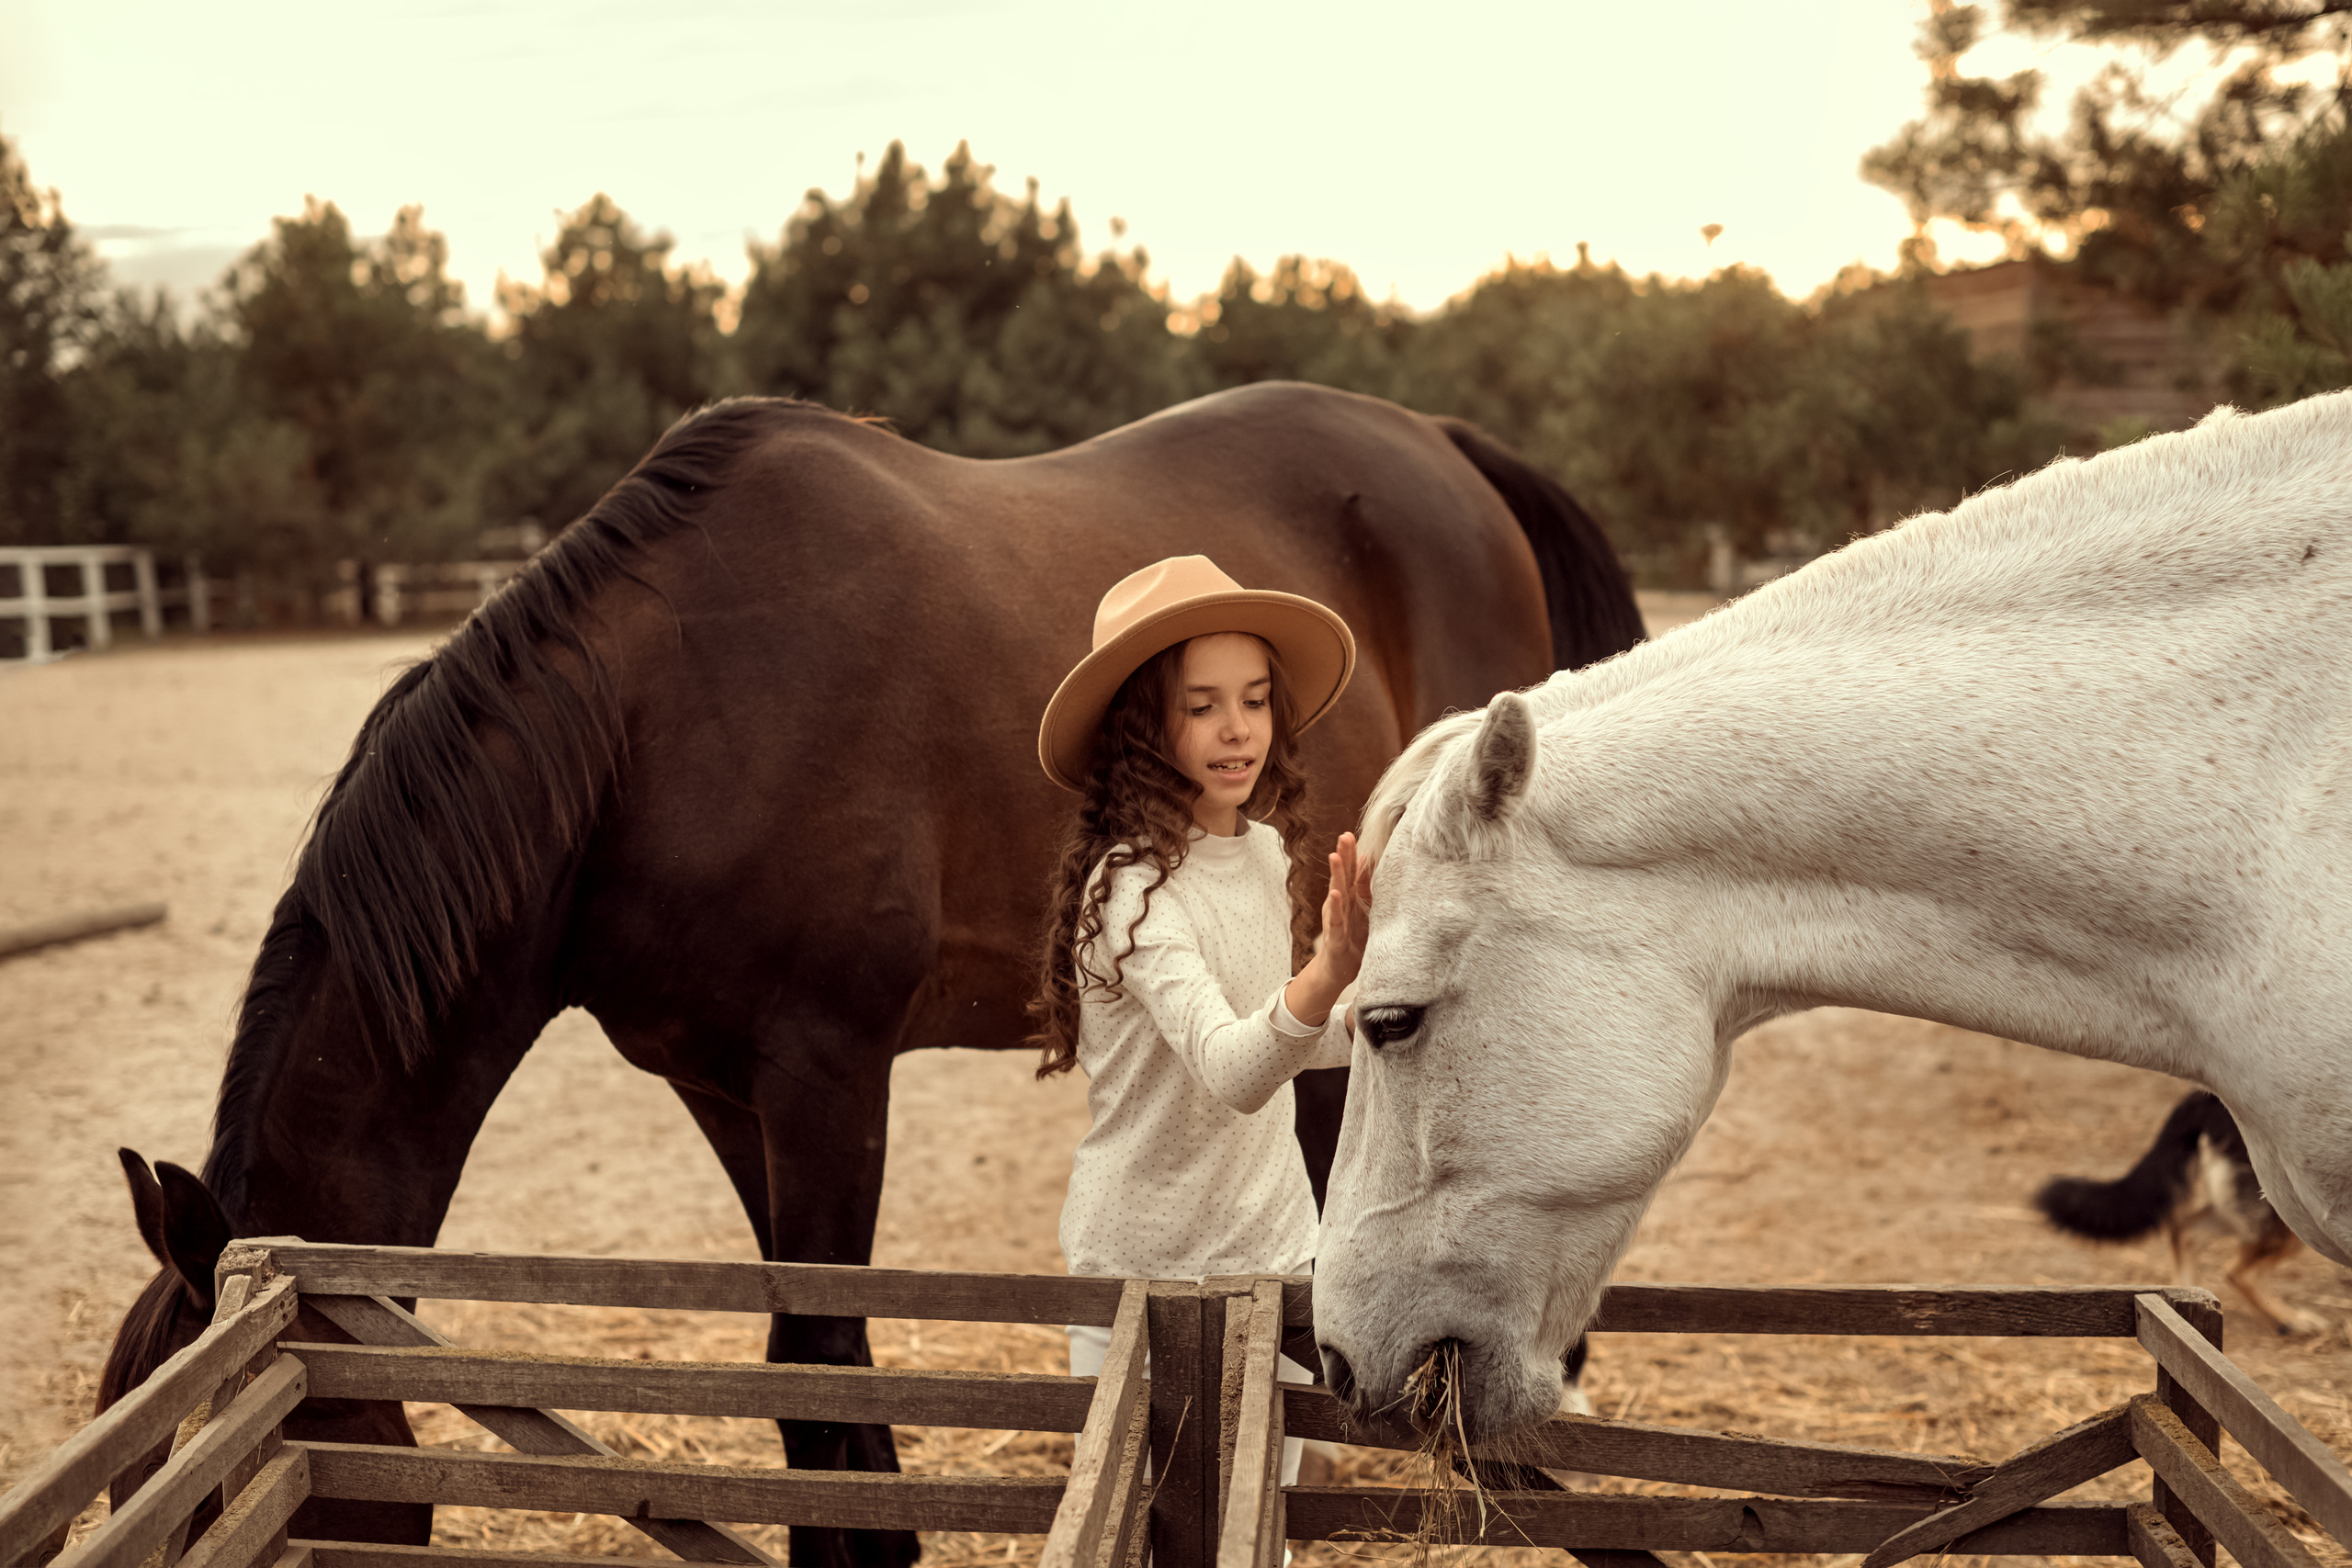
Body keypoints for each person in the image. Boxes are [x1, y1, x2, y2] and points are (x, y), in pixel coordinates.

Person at [1031, 554, 1368, 1490]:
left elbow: (1287, 1040)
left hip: (1274, 1250)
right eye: (1201, 705)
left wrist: (1373, 1003)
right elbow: (1230, 1065)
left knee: (1261, 1535)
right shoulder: (1128, 889)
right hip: (1140, 1266)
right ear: (1143, 727)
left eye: (1256, 701)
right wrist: (1323, 977)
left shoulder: (1263, 855)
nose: (1237, 729)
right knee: (1133, 1536)